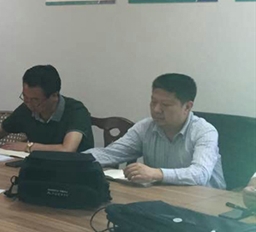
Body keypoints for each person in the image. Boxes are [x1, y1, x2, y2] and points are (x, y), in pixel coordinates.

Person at [85, 74, 225, 188]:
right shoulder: (145, 127)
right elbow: (110, 154)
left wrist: (157, 174)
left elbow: (200, 174)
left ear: (187, 107)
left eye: (165, 105)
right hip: (162, 196)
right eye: (153, 102)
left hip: (207, 202)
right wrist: (75, 159)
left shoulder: (204, 131)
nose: (156, 110)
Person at [0, 64, 93, 153]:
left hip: (75, 171)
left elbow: (68, 149)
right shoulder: (26, 108)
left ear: (54, 96)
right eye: (25, 97)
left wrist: (29, 147)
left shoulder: (76, 111)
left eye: (35, 100)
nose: (29, 104)